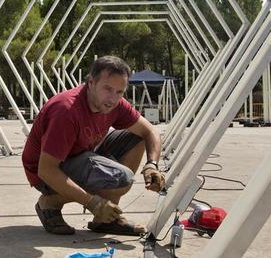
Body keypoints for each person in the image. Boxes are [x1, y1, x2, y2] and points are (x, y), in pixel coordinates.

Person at [22, 55, 166, 235]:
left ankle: (106, 218)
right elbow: (46, 169)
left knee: (135, 137)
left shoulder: (115, 104)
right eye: (107, 89)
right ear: (91, 83)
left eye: (119, 92)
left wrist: (152, 165)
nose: (113, 98)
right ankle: (49, 204)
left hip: (78, 155)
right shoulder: (67, 110)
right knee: (121, 177)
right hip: (45, 173)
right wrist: (92, 202)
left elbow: (150, 131)